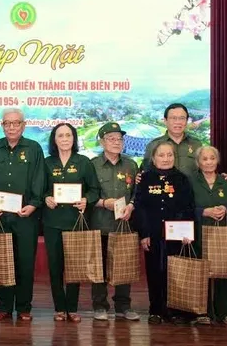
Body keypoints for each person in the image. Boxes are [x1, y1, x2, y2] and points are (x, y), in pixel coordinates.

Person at [0, 108, 45, 322]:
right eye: (7, 123)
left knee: (25, 262)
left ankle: (24, 307)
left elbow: (39, 179)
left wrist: (34, 205)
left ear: (23, 125)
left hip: (25, 216)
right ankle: (4, 306)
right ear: (2, 126)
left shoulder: (34, 148)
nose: (11, 127)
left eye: (16, 123)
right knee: (1, 260)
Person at [43, 123, 99, 323]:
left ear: (74, 139)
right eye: (60, 135)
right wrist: (46, 198)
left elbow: (94, 190)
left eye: (68, 135)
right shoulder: (47, 163)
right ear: (54, 139)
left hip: (76, 222)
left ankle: (72, 308)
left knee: (74, 266)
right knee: (55, 266)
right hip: (52, 222)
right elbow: (40, 189)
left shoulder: (84, 162)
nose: (65, 139)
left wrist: (87, 200)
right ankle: (59, 308)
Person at [134, 141, 195, 325]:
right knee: (154, 272)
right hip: (152, 234)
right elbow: (140, 207)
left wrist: (187, 232)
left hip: (176, 235)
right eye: (161, 155)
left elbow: (188, 207)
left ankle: (174, 309)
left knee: (174, 272)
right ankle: (155, 310)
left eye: (170, 155)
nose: (166, 158)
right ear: (153, 158)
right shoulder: (145, 178)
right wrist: (143, 234)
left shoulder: (182, 179)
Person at [89, 122, 140, 322]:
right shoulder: (92, 165)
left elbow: (137, 193)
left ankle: (123, 306)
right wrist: (103, 202)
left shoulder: (131, 165)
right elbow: (87, 194)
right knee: (99, 269)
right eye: (111, 138)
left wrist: (132, 206)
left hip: (124, 224)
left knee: (124, 267)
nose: (116, 142)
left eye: (119, 139)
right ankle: (100, 306)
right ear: (102, 142)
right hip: (100, 223)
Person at [189, 146, 227, 325]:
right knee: (201, 273)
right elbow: (184, 208)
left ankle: (225, 312)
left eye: (212, 158)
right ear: (198, 162)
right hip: (199, 233)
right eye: (204, 159)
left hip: (222, 234)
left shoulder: (226, 182)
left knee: (223, 272)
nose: (209, 162)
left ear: (217, 161)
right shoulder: (190, 181)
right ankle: (201, 312)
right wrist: (204, 212)